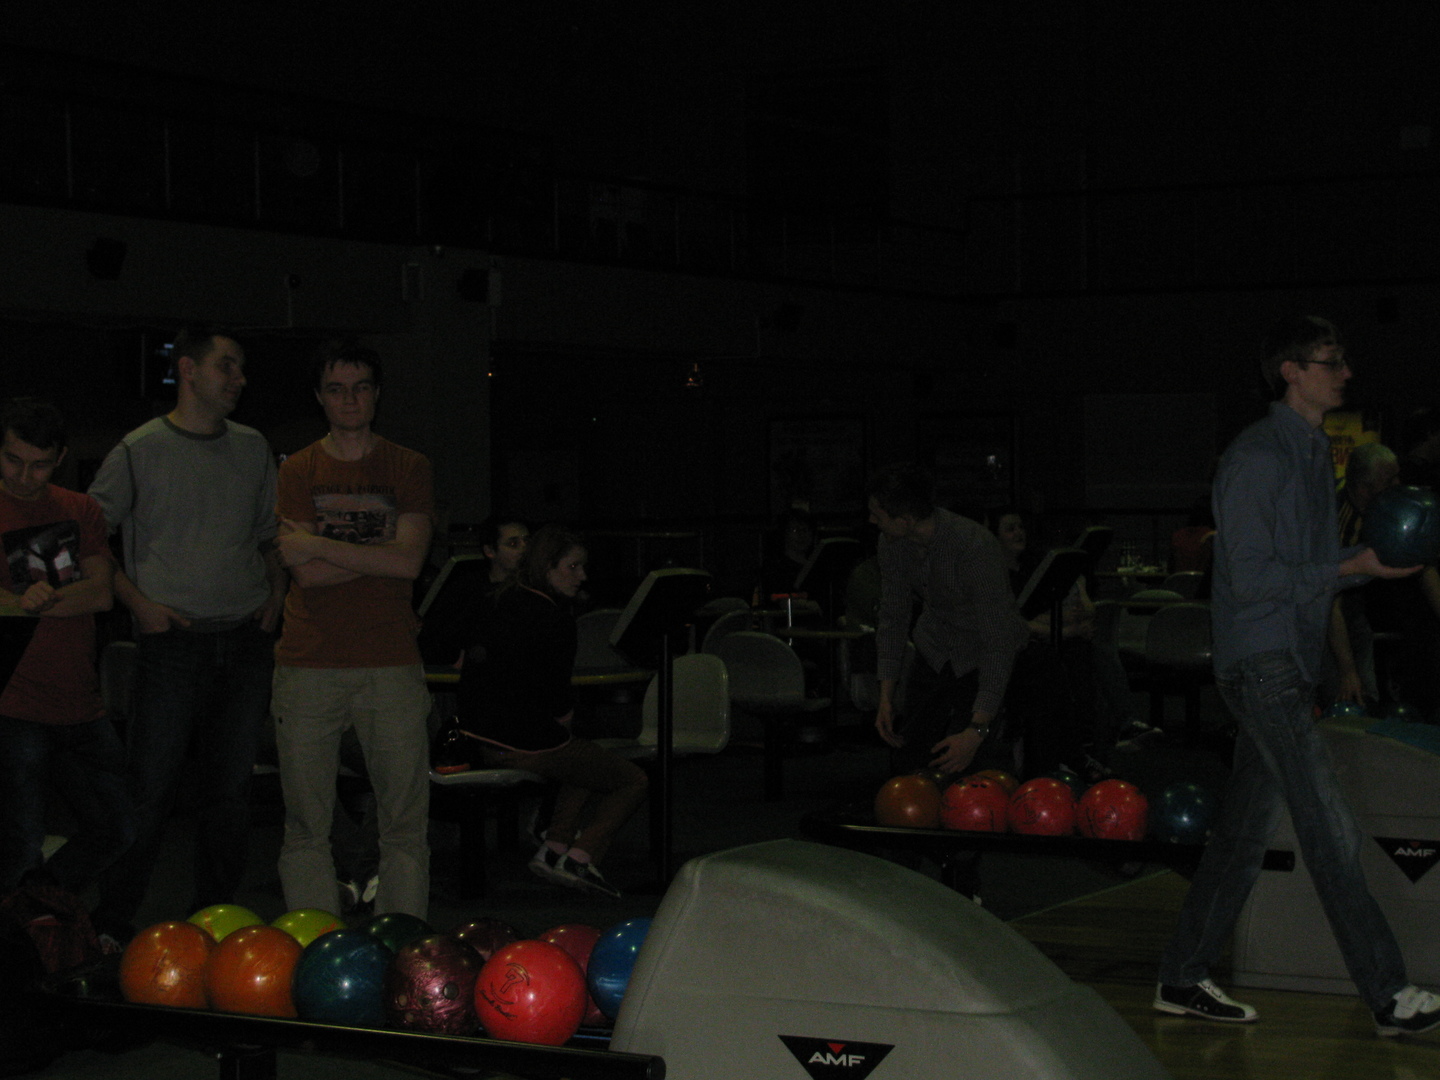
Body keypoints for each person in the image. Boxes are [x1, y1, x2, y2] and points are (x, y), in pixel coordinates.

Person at [1155, 315, 1440, 1036]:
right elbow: (1251, 580)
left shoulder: (1313, 452)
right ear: (1291, 372)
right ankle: (1388, 996)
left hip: (1288, 662)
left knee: (1243, 835)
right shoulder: (1257, 457)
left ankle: (1182, 976)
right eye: (1330, 361)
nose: (1345, 373)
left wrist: (1366, 568)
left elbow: (1308, 574)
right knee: (1329, 827)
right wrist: (1355, 564)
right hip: (1263, 664)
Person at [89, 327, 284, 943]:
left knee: (229, 793)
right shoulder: (138, 450)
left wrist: (276, 593)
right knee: (150, 789)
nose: (239, 379)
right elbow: (88, 536)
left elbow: (270, 535)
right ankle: (111, 923)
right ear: (189, 370)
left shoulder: (253, 447)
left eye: (242, 368)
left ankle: (216, 922)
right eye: (227, 366)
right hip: (172, 642)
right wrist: (139, 604)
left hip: (245, 641)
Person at [272, 344, 435, 920]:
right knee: (306, 824)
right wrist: (377, 550)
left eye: (361, 387)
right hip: (309, 662)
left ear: (377, 395)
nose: (349, 399)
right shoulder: (297, 470)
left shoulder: (408, 466)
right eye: (337, 389)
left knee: (405, 822)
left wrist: (318, 542)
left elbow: (409, 563)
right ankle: (316, 940)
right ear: (320, 397)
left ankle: (404, 940)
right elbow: (307, 575)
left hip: (390, 659)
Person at [454, 524, 647, 900]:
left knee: (583, 759)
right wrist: (563, 722)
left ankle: (555, 847)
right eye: (572, 567)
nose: (582, 576)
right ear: (546, 567)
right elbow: (556, 696)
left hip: (476, 736)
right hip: (523, 743)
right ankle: (581, 856)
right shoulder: (554, 618)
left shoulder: (496, 600)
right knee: (632, 780)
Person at [0, 398, 132, 897]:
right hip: (13, 705)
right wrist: (23, 603)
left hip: (80, 704)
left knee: (118, 828)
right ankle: (27, 925)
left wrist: (29, 603)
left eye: (38, 465)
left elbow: (102, 593)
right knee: (20, 843)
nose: (23, 476)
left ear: (60, 458)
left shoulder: (80, 508)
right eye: (13, 460)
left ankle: (37, 908)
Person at [868, 465, 1031, 777]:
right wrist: (886, 697)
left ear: (905, 520)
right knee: (909, 760)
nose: (872, 521)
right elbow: (893, 617)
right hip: (936, 647)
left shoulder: (973, 546)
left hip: (981, 653)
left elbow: (998, 641)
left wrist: (977, 730)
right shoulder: (892, 543)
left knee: (969, 767)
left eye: (877, 515)